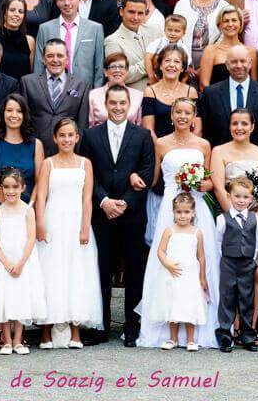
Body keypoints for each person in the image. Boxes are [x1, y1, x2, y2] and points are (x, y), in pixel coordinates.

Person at [138, 98, 219, 349]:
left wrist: (198, 184)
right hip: (170, 207)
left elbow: (209, 182)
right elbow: (153, 179)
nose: (183, 116)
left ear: (194, 116)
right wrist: (135, 178)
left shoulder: (204, 145)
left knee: (198, 259)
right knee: (167, 262)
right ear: (171, 116)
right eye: (178, 112)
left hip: (196, 207)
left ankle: (199, 329)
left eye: (188, 112)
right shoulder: (161, 143)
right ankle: (167, 331)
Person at [77, 85, 155, 346]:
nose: (118, 108)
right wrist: (104, 201)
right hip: (103, 214)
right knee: (102, 271)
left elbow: (146, 171)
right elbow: (89, 174)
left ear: (130, 105)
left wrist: (125, 203)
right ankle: (101, 326)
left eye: (123, 103)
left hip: (132, 215)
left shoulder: (143, 136)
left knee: (135, 271)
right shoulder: (90, 136)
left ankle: (132, 327)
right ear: (106, 105)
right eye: (114, 103)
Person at [34, 118, 103, 348]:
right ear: (55, 138)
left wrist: (85, 226)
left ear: (77, 137)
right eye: (62, 135)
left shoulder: (85, 164)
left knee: (76, 273)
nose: (66, 139)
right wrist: (40, 223)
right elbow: (41, 196)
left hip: (76, 222)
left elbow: (87, 198)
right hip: (53, 221)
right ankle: (45, 332)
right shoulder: (48, 164)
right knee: (50, 273)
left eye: (70, 135)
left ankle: (75, 332)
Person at [209, 110, 258, 346]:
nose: (239, 127)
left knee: (256, 271)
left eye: (244, 123)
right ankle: (232, 325)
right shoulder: (219, 151)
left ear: (252, 127)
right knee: (232, 274)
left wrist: (256, 216)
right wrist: (236, 216)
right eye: (235, 123)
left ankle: (250, 326)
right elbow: (218, 187)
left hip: (256, 216)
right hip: (230, 216)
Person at [0, 167, 46, 355]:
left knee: (21, 297)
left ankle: (18, 340)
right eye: (6, 187)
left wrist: (21, 263)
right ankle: (7, 340)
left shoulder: (28, 211)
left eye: (15, 187)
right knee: (4, 297)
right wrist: (6, 262)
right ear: (0, 187)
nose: (10, 191)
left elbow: (32, 237)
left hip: (23, 260)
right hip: (2, 261)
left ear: (23, 188)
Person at [0, 94, 45, 255]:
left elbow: (40, 182)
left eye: (19, 111)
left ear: (25, 115)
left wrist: (26, 210)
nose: (14, 115)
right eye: (9, 110)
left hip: (27, 211)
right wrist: (10, 209)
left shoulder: (35, 145)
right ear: (3, 113)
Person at [147, 192, 210, 353]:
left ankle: (190, 339)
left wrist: (202, 278)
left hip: (190, 275)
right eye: (179, 212)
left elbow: (201, 257)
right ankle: (172, 338)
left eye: (186, 212)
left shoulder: (197, 233)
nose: (183, 216)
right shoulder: (169, 231)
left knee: (190, 304)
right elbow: (160, 251)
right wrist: (168, 264)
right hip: (172, 274)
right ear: (173, 212)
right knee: (172, 303)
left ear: (193, 212)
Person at [22, 39, 92, 154]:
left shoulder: (82, 85)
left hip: (67, 151)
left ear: (67, 59)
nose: (55, 60)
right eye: (50, 56)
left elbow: (82, 124)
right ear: (44, 59)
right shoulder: (28, 82)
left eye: (60, 56)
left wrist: (77, 152)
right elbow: (24, 120)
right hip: (34, 151)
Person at [202, 44, 258, 148]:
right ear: (227, 65)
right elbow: (207, 133)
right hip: (220, 158)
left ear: (250, 63)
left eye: (243, 61)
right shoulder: (210, 94)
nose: (239, 66)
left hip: (255, 158)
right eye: (234, 62)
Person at [34, 0, 105, 88]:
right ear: (57, 2)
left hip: (84, 90)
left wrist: (95, 95)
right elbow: (39, 65)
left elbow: (99, 67)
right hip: (51, 89)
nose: (67, 3)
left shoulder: (95, 29)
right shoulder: (45, 29)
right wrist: (39, 91)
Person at [174, 0, 232, 73]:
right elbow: (175, 33)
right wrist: (185, 64)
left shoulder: (223, 6)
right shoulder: (182, 4)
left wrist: (206, 65)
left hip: (213, 67)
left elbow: (223, 38)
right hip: (182, 66)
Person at [143, 45, 200, 148]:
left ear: (183, 68)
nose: (171, 65)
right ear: (160, 65)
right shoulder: (150, 91)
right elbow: (148, 129)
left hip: (187, 150)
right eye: (167, 61)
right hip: (158, 149)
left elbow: (197, 128)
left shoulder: (191, 92)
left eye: (177, 62)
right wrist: (164, 150)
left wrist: (184, 149)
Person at [104, 0, 157, 91]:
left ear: (146, 14)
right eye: (131, 12)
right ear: (121, 12)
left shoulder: (155, 30)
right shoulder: (112, 41)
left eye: (140, 13)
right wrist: (149, 61)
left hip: (161, 95)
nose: (135, 17)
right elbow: (120, 74)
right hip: (134, 98)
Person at [199, 6, 256, 89]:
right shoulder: (211, 50)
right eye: (226, 21)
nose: (230, 24)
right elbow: (204, 84)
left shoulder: (252, 52)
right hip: (216, 100)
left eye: (234, 20)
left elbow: (254, 85)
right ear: (219, 26)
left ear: (240, 24)